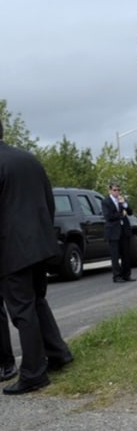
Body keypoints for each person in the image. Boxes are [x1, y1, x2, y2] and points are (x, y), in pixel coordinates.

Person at [0, 122, 74, 395]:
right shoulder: (28, 159)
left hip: (11, 250)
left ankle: (34, 374)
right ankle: (58, 353)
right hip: (40, 244)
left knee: (22, 310)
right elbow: (48, 199)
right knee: (37, 302)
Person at [101, 183, 137, 283]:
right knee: (115, 255)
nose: (117, 192)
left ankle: (127, 275)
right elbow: (108, 216)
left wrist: (125, 204)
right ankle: (117, 276)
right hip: (113, 231)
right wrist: (121, 214)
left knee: (126, 254)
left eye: (118, 190)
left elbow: (130, 212)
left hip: (124, 230)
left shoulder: (121, 200)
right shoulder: (106, 202)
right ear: (110, 191)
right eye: (114, 190)